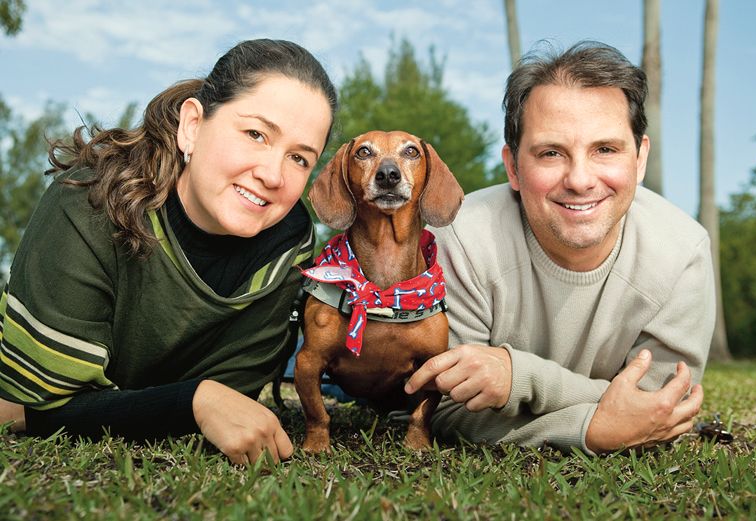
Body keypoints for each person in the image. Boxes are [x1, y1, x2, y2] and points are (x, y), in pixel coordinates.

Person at [0, 38, 337, 465]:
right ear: (192, 125)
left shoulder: (290, 248)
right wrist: (192, 402)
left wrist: (203, 404)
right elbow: (31, 407)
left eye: (299, 159)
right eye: (255, 133)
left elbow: (233, 406)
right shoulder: (87, 203)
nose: (273, 174)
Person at [404, 41, 714, 454]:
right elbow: (443, 408)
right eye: (551, 153)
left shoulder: (683, 252)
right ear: (513, 167)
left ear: (639, 160)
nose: (580, 180)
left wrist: (521, 377)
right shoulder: (458, 237)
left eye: (605, 149)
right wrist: (591, 430)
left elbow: (657, 409)